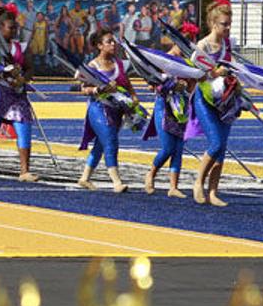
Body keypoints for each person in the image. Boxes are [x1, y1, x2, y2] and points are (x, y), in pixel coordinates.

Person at [188, 0, 240, 206]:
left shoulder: (229, 44)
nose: (227, 28)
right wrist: (215, 72)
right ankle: (198, 182)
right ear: (212, 23)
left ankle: (214, 192)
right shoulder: (203, 45)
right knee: (216, 142)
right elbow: (196, 75)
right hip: (205, 97)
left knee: (222, 146)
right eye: (223, 24)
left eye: (229, 24)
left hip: (225, 100)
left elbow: (234, 66)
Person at [0, 4, 37, 182]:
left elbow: (30, 68)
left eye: (15, 28)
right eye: (11, 28)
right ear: (1, 28)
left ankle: (25, 171)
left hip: (16, 94)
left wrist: (22, 78)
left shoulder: (20, 47)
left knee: (24, 126)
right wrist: (4, 72)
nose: (14, 31)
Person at [76, 29, 136, 192]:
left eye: (113, 41)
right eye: (109, 41)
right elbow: (82, 89)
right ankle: (116, 182)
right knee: (110, 141)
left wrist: (133, 97)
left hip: (117, 110)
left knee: (101, 144)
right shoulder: (92, 66)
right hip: (99, 108)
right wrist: (98, 90)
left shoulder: (119, 63)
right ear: (99, 45)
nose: (113, 44)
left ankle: (84, 177)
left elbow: (127, 83)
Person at [142, 34, 195, 197]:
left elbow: (193, 84)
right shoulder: (163, 59)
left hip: (181, 108)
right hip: (164, 107)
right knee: (168, 148)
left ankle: (173, 187)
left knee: (178, 148)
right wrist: (166, 86)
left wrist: (185, 87)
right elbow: (152, 83)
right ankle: (151, 174)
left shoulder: (189, 62)